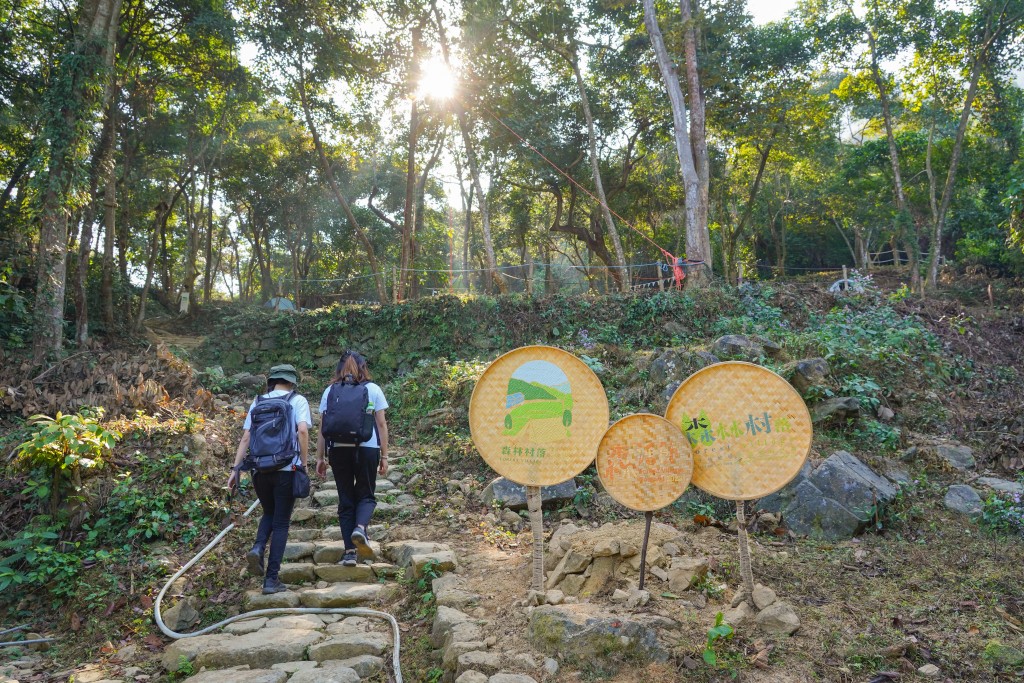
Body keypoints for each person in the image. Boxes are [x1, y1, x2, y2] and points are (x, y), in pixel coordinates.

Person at [227, 363, 311, 594]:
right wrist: (303, 464)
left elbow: (246, 437)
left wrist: (236, 470)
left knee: (269, 512)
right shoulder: (298, 401)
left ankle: (257, 547)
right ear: (292, 381)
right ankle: (271, 579)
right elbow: (302, 431)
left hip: (259, 470)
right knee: (281, 522)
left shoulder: (259, 401)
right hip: (286, 468)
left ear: (272, 380)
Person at [316, 351, 389, 567]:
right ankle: (360, 528)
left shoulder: (330, 391)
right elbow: (382, 424)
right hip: (367, 448)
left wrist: (320, 456)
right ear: (363, 367)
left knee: (345, 499)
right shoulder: (373, 389)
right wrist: (384, 455)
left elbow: (322, 428)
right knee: (366, 494)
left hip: (338, 449)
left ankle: (349, 552)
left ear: (338, 369)